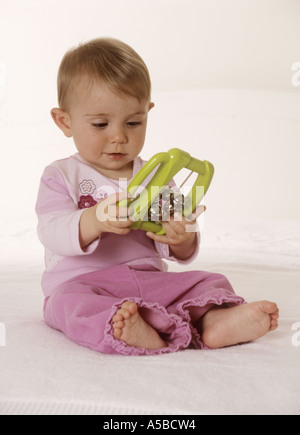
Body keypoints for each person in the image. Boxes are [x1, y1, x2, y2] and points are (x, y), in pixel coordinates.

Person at [35, 37, 279, 356]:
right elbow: (51, 231)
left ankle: (214, 322)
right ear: (64, 121)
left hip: (148, 281)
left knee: (209, 280)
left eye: (134, 122)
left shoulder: (157, 174)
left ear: (148, 113)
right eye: (100, 124)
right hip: (84, 283)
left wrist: (180, 236)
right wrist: (93, 220)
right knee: (67, 306)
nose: (119, 136)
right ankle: (123, 326)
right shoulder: (61, 175)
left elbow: (172, 243)